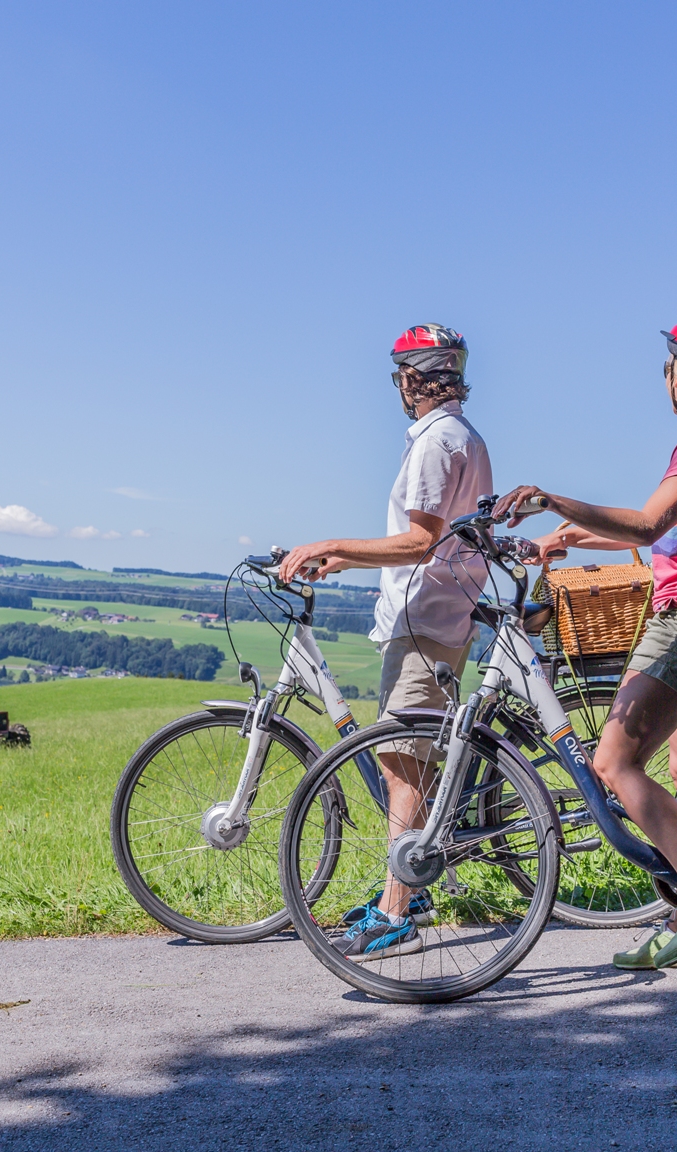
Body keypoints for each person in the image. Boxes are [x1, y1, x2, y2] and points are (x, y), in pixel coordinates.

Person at [495, 315, 677, 970]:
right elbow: (673, 537)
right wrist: (570, 537)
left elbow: (648, 521)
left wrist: (551, 499)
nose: (663, 377)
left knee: (613, 765)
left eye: (667, 365)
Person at [278, 323, 492, 962]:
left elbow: (421, 540)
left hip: (424, 617)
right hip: (443, 609)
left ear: (415, 378)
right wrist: (351, 563)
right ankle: (409, 886)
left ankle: (398, 911)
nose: (399, 386)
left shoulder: (435, 443)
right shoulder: (463, 436)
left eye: (401, 376)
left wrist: (331, 544)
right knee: (413, 763)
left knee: (402, 768)